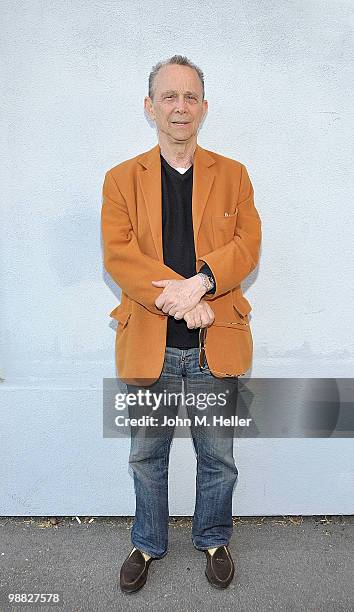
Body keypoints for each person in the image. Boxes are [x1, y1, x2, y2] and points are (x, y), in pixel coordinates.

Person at [101, 54, 262, 592]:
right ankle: (147, 543)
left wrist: (203, 282)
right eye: (169, 96)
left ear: (204, 108)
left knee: (219, 454)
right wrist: (184, 299)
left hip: (216, 342)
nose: (180, 106)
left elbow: (248, 246)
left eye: (190, 96)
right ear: (150, 107)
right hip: (152, 345)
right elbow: (119, 257)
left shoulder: (234, 175)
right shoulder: (120, 179)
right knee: (147, 455)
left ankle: (214, 537)